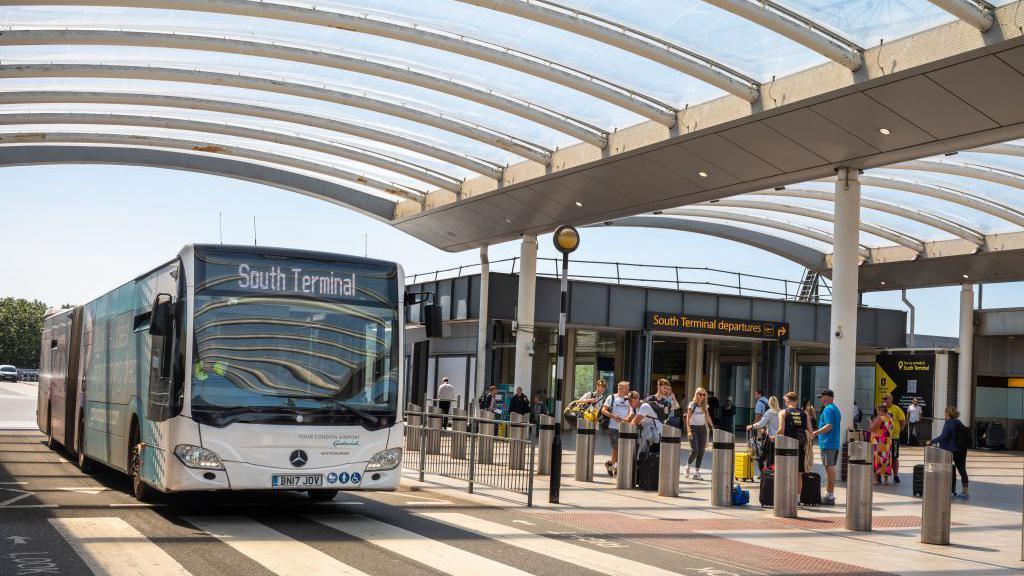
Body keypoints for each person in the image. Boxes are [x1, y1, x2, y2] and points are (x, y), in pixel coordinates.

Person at [928, 405, 970, 498]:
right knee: (962, 470)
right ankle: (965, 491)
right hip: (962, 449)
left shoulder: (949, 423)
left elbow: (943, 436)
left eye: (945, 412)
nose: (944, 414)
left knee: (945, 470)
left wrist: (931, 441)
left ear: (948, 413)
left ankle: (945, 489)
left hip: (952, 450)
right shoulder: (958, 422)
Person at [778, 391, 813, 499]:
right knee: (799, 474)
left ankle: (786, 496)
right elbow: (811, 430)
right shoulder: (804, 413)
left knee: (786, 471)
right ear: (797, 401)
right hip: (800, 446)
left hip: (787, 446)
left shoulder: (783, 412)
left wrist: (774, 436)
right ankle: (797, 499)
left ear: (787, 400)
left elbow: (781, 429)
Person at [811, 389, 841, 506]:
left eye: (822, 397)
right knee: (831, 468)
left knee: (829, 469)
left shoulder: (828, 409)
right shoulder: (836, 409)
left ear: (829, 397)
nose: (821, 400)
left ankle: (829, 494)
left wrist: (816, 433)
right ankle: (829, 493)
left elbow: (829, 426)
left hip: (827, 443)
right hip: (834, 442)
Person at [601, 381, 631, 477]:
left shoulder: (628, 399)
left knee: (622, 448)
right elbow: (603, 410)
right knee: (617, 447)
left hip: (626, 427)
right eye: (626, 388)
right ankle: (615, 468)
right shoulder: (612, 397)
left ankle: (611, 465)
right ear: (620, 388)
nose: (628, 390)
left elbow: (632, 411)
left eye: (628, 388)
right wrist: (613, 416)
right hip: (613, 427)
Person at [746, 395, 779, 479]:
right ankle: (772, 475)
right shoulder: (781, 412)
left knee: (762, 457)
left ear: (769, 403)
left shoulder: (769, 412)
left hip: (770, 439)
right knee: (773, 458)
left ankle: (764, 474)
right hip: (779, 438)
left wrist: (751, 426)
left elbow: (761, 423)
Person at [685, 387, 714, 480]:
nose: (702, 396)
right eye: (700, 394)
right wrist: (689, 431)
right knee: (695, 450)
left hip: (702, 429)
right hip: (693, 429)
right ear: (696, 394)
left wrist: (712, 427)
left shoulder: (705, 405)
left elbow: (708, 417)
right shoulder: (692, 404)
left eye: (703, 394)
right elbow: (688, 418)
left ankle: (696, 472)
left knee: (701, 451)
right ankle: (688, 466)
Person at [882, 393, 906, 483]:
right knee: (883, 457)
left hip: (894, 437)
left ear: (891, 399)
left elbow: (903, 421)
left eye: (886, 399)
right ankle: (882, 475)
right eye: (883, 399)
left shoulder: (896, 409)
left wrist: (899, 430)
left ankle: (895, 475)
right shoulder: (882, 409)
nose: (884, 400)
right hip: (884, 438)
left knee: (895, 457)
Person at [869, 404, 894, 484]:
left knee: (878, 459)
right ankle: (886, 480)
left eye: (877, 410)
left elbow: (871, 429)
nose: (877, 412)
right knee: (886, 459)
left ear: (880, 410)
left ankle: (875, 479)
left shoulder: (880, 418)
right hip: (887, 442)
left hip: (879, 441)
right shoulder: (890, 418)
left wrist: (871, 423)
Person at [802, 400, 818, 473]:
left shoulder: (810, 414)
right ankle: (806, 466)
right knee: (806, 451)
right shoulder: (803, 413)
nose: (809, 406)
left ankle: (807, 466)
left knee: (809, 451)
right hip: (806, 435)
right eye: (807, 404)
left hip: (809, 435)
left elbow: (815, 423)